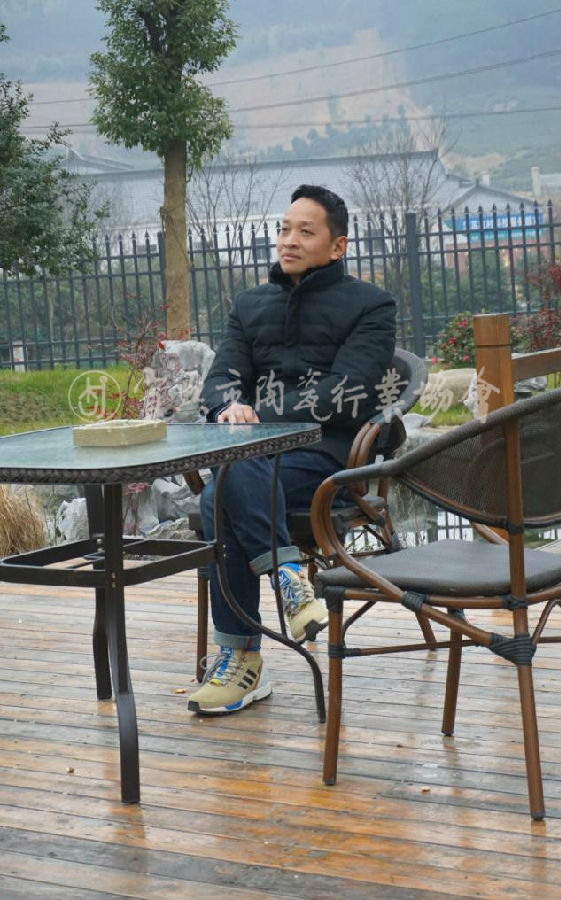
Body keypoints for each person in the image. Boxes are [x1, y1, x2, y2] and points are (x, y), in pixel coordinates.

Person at [187, 184, 395, 715]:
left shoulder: (371, 305)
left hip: (323, 457)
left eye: (305, 231)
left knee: (218, 494)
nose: (289, 240)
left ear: (338, 246)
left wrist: (262, 416)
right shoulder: (249, 305)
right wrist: (229, 407)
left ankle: (242, 660)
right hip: (251, 454)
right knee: (231, 475)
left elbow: (351, 389)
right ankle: (289, 580)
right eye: (284, 229)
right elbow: (220, 381)